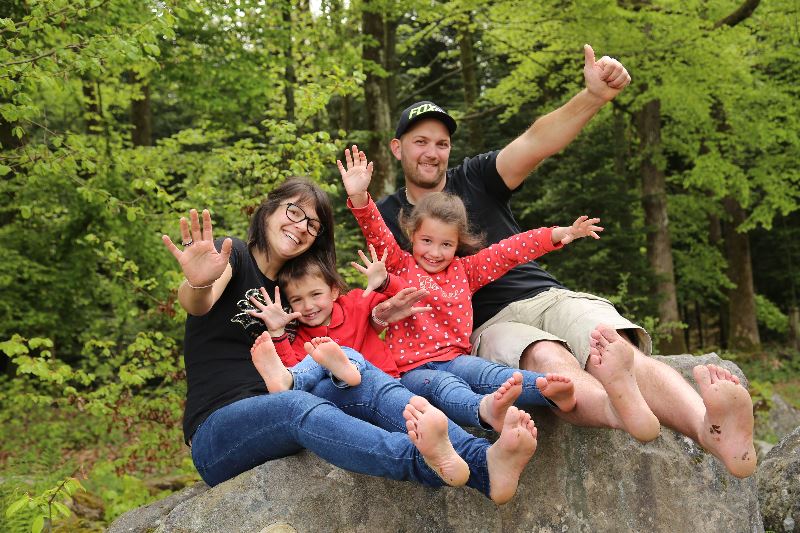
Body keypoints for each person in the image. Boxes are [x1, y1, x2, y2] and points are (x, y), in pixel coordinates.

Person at [373, 44, 757, 478]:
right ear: (397, 148)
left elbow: (536, 141)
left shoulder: (476, 177)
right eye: (420, 142)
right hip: (485, 324)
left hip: (547, 295)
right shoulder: (385, 217)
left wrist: (593, 96)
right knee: (546, 357)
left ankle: (711, 429)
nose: (432, 152)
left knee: (611, 342)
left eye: (441, 143)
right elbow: (371, 294)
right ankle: (619, 409)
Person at [161, 176, 539, 504]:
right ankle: (422, 461)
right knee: (297, 404)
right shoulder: (234, 256)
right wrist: (198, 282)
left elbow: (341, 332)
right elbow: (198, 303)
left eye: (313, 224)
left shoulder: (297, 293)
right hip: (219, 430)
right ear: (268, 210)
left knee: (363, 380)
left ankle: (483, 463)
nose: (301, 226)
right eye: (294, 211)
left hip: (282, 399)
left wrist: (379, 315)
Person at [340, 146, 598, 433]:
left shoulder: (465, 271)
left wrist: (558, 234)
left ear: (458, 243)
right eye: (426, 241)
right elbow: (375, 231)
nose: (434, 252)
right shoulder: (400, 265)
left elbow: (509, 251)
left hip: (456, 359)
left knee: (486, 372)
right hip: (412, 371)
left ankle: (545, 390)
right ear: (412, 235)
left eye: (446, 244)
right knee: (445, 386)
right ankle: (484, 410)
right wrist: (359, 196)